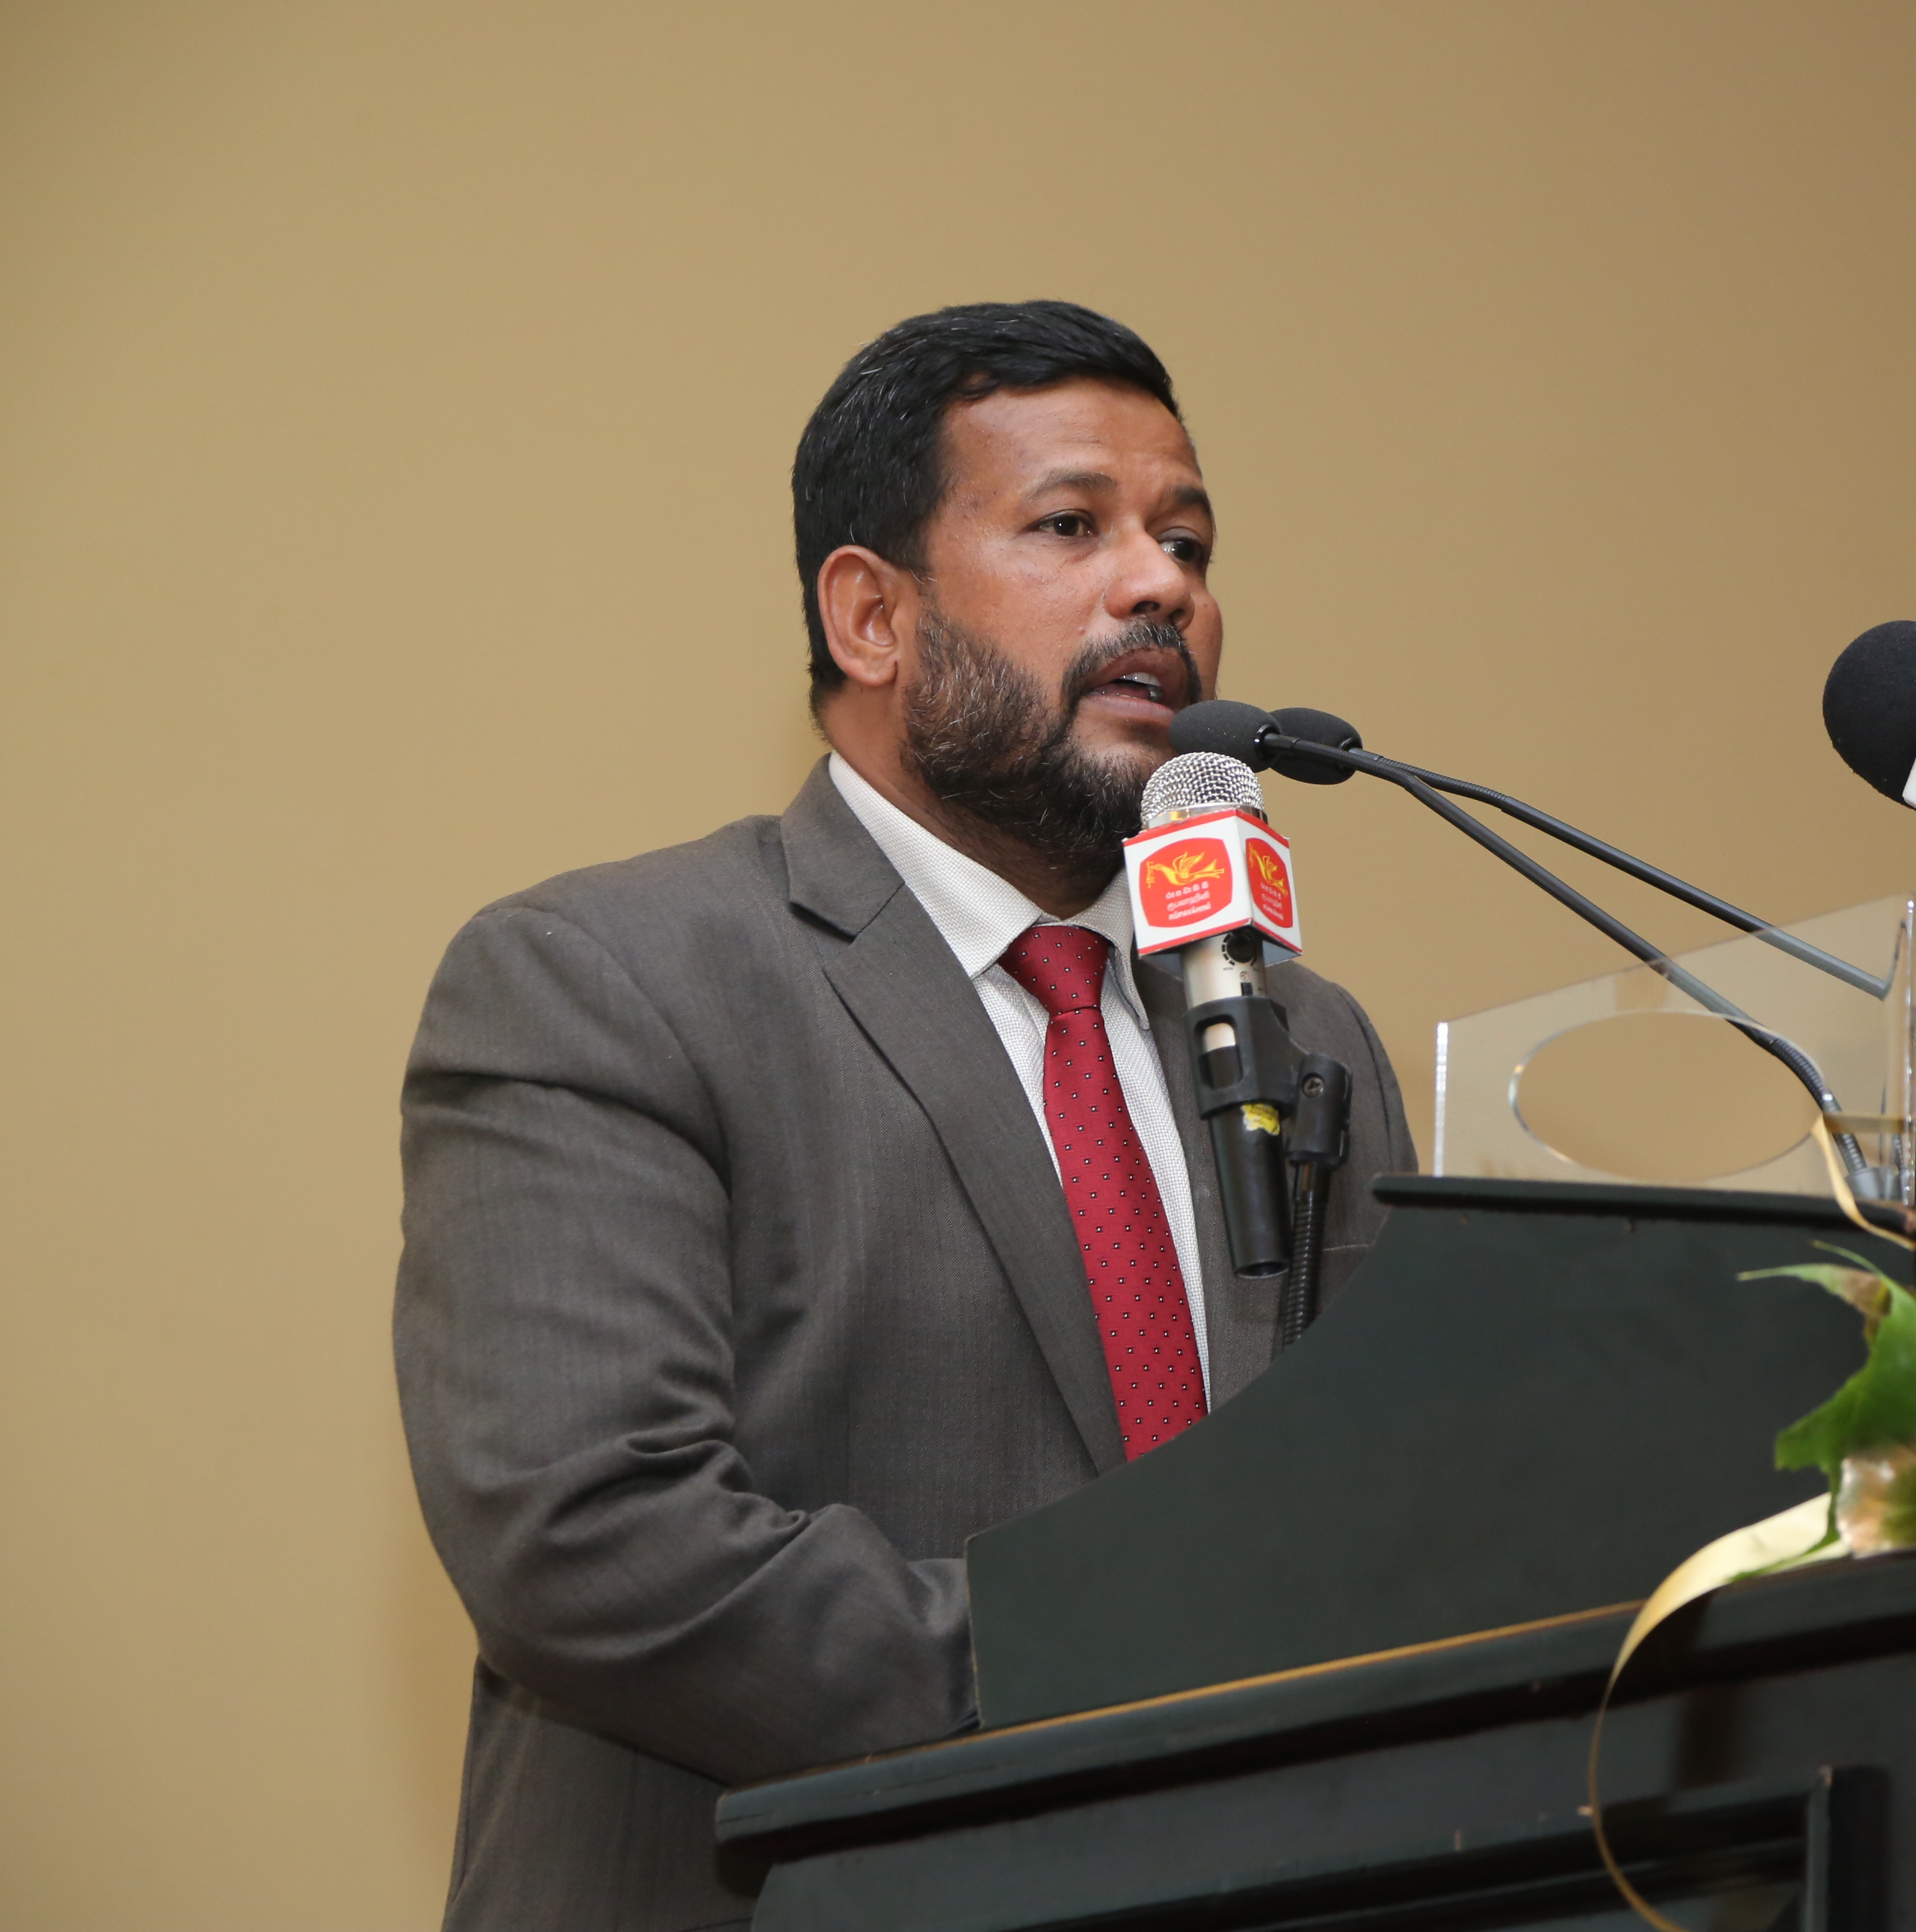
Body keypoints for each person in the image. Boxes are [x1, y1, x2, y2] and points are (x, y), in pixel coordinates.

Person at [393, 301, 1415, 1931]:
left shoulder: (1301, 1032)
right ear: (871, 614)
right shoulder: (609, 978)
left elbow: (1391, 1509)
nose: (1159, 587)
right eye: (1071, 526)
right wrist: (1143, 1680)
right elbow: (594, 1543)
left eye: (1188, 542)